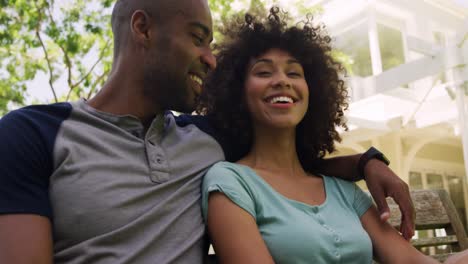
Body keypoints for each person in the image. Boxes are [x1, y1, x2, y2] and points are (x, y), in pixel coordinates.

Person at [0, 0, 413, 263]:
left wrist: (366, 162)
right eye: (198, 38)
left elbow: (290, 170)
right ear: (142, 29)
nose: (210, 60)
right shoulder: (31, 134)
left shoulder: (208, 140)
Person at [198, 7, 439, 263]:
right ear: (237, 92)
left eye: (294, 73)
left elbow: (412, 261)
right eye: (264, 72)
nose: (282, 81)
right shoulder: (230, 182)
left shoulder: (343, 191)